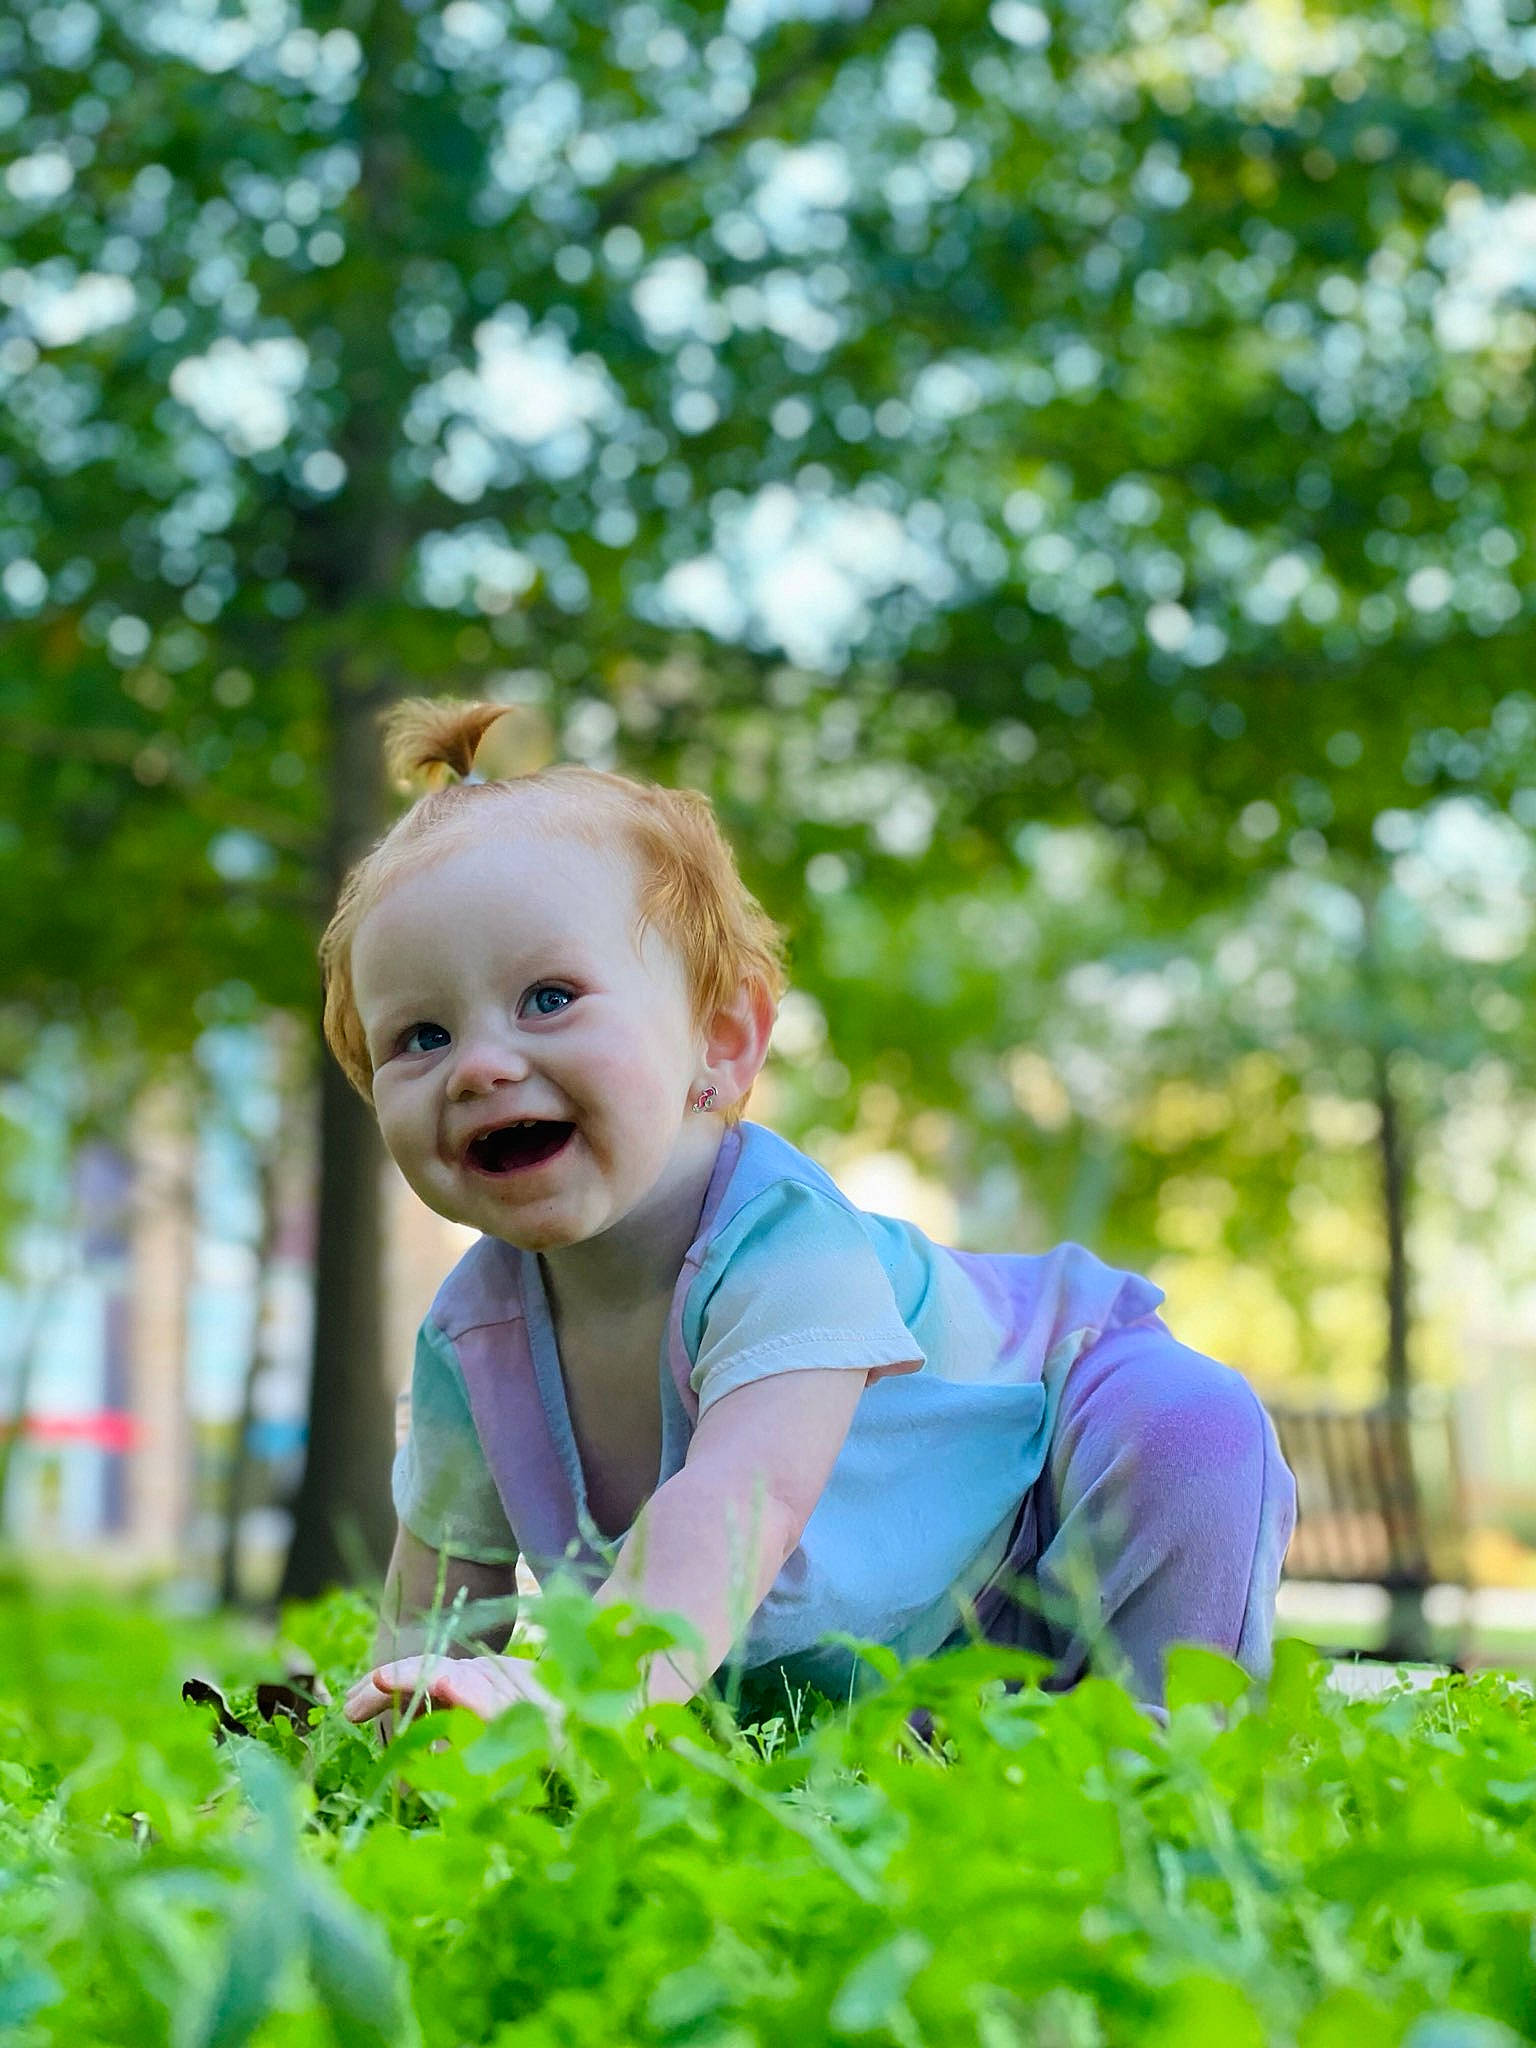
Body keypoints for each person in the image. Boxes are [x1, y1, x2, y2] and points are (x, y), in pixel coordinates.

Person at [337, 698, 1295, 1735]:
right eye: (420, 1034)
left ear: (723, 1037)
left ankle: (1167, 1742)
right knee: (849, 1732)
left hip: (1045, 1472)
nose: (480, 1064)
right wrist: (408, 1718)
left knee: (1190, 1422)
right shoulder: (471, 1334)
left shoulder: (784, 1242)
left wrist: (583, 1691)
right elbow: (438, 1602)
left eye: (549, 998)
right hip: (900, 1633)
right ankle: (951, 1742)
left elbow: (742, 1497)